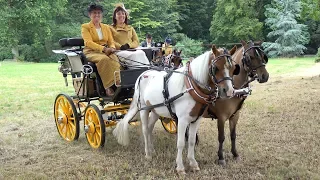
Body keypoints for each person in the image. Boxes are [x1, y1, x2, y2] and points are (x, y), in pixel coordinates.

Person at [81, 3, 119, 96]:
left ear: (101, 14)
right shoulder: (85, 27)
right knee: (104, 59)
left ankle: (118, 82)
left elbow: (111, 41)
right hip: (91, 52)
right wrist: (103, 49)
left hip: (106, 51)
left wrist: (112, 48)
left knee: (116, 58)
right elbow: (88, 42)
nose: (97, 15)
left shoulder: (106, 27)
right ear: (90, 14)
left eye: (99, 12)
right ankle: (107, 87)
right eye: (94, 12)